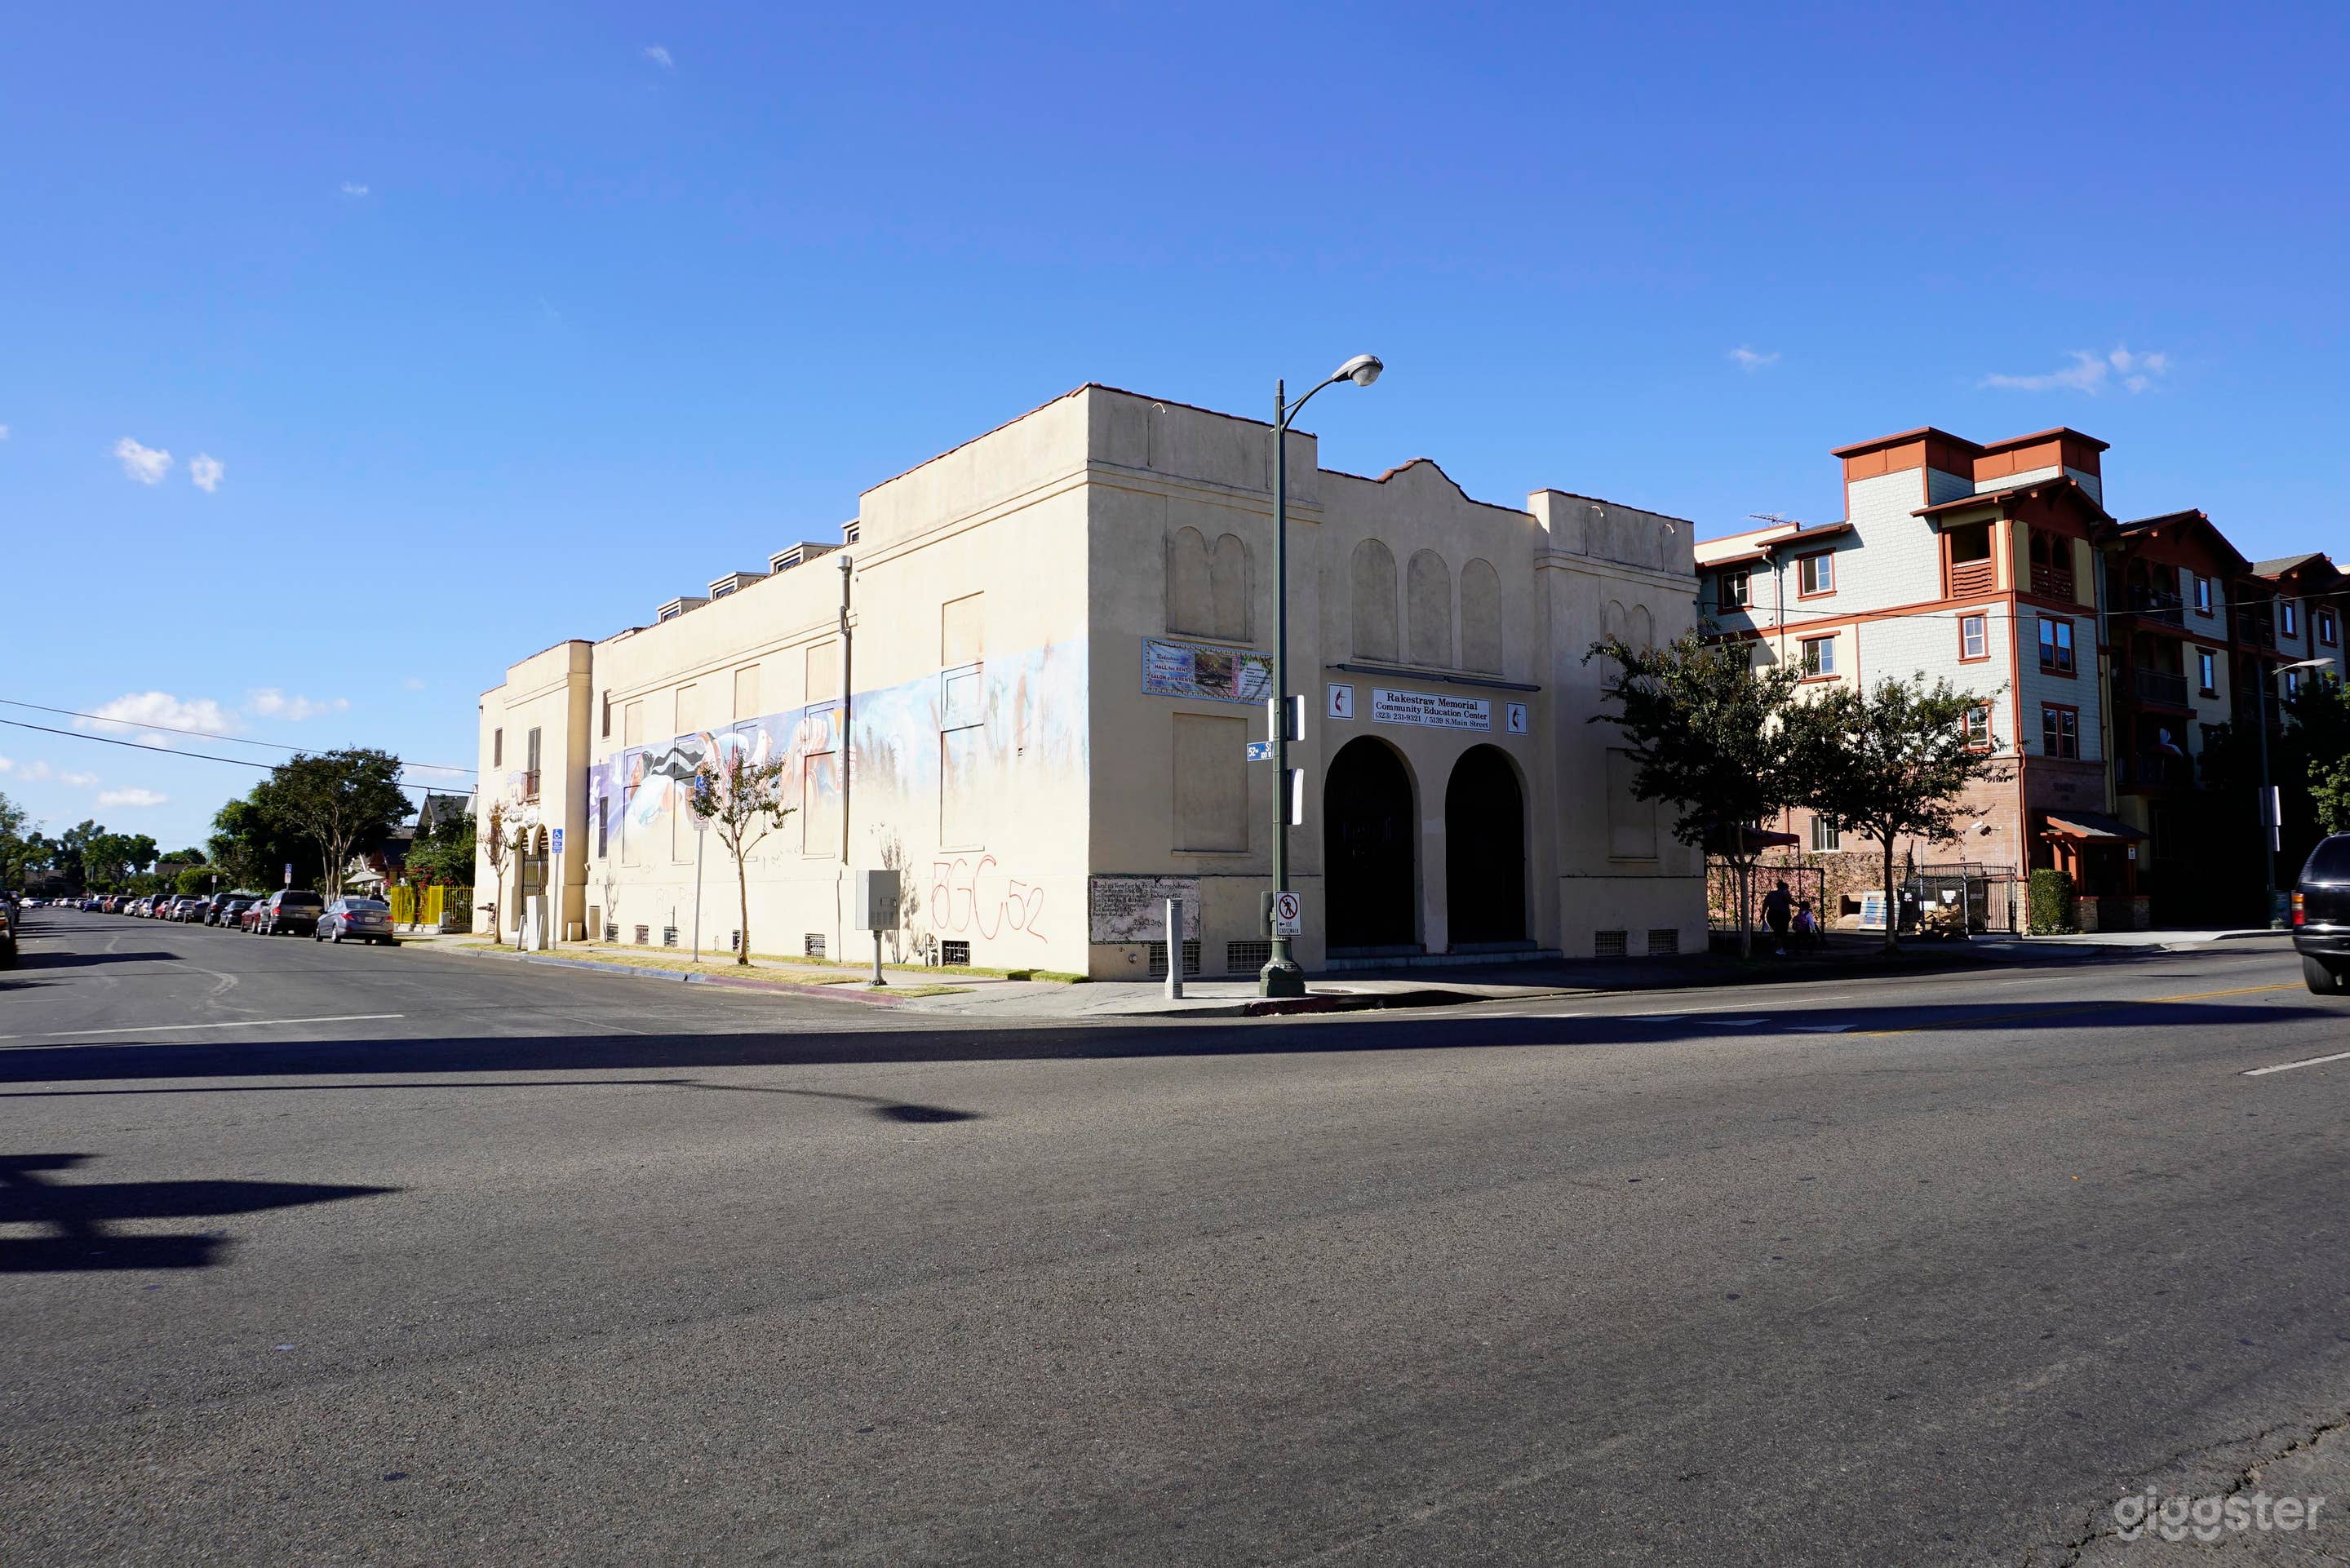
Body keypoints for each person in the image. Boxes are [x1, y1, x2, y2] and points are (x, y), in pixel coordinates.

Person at [1762, 879, 1794, 956]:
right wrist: (1799, 906)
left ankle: (1779, 947)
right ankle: (1780, 948)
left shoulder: (1771, 894)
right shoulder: (1784, 894)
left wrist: (1763, 914)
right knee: (1780, 932)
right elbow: (1790, 900)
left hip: (1772, 915)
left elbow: (1765, 904)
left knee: (1778, 931)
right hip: (1781, 915)